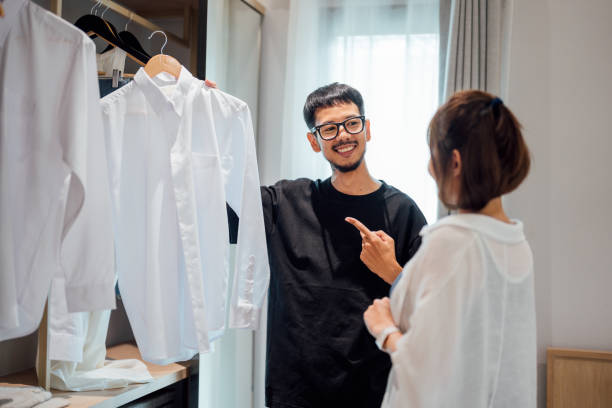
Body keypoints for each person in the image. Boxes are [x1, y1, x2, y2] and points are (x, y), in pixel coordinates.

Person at [358, 90, 536, 407]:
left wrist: (383, 327)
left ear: (454, 162)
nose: (429, 168)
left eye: (432, 155)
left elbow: (427, 368)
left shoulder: (452, 242)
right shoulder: (516, 242)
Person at [260, 83, 428, 408]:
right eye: (329, 128)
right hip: (296, 394)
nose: (343, 135)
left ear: (367, 128)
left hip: (372, 392)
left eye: (352, 123)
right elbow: (214, 207)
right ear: (314, 141)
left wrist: (391, 270)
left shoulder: (402, 211)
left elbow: (433, 308)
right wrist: (206, 113)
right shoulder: (286, 203)